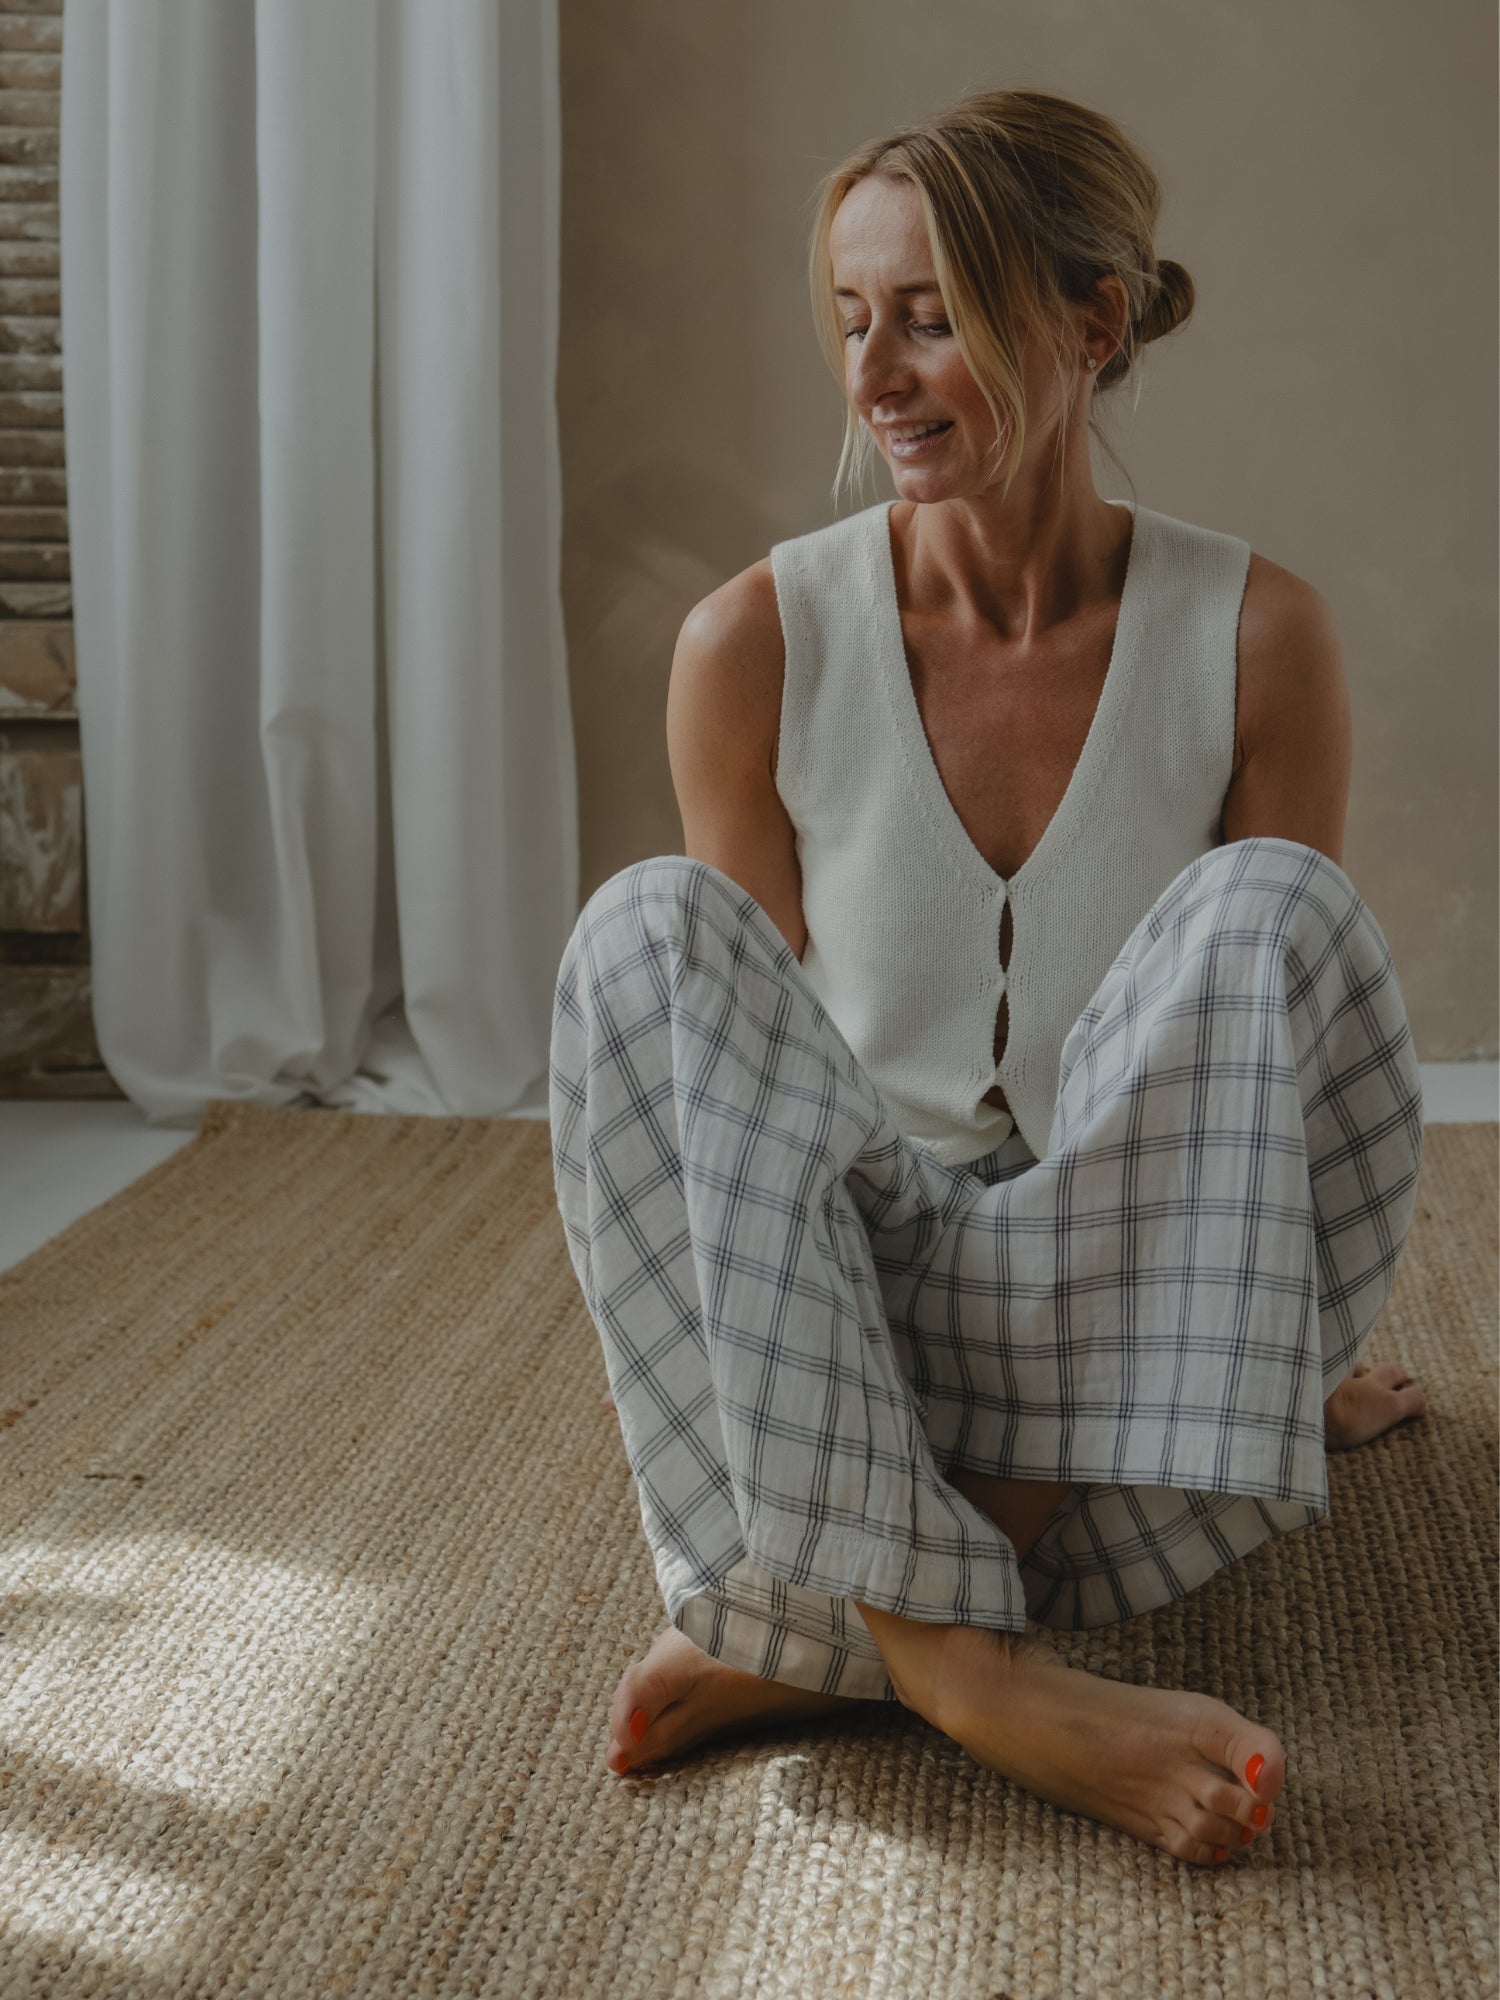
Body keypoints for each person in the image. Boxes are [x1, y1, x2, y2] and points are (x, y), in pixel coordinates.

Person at [548, 88, 1427, 1869]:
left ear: (1093, 323)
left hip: (1129, 1363)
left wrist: (1274, 1343)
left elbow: (1261, 1060)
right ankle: (974, 1670)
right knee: (645, 931)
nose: (875, 375)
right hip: (864, 1333)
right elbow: (743, 1113)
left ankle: (837, 1622)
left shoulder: (1259, 636)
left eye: (934, 311)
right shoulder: (753, 642)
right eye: (855, 317)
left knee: (1272, 911)